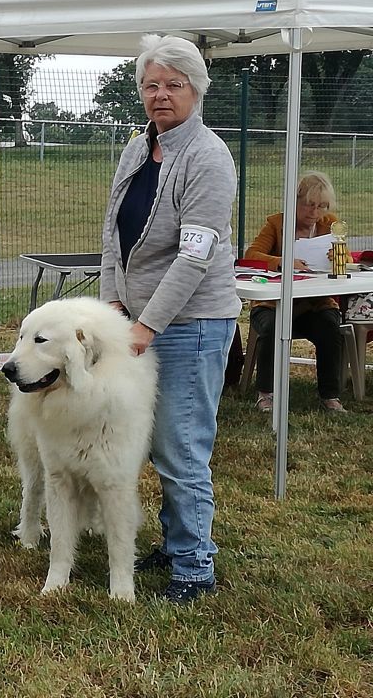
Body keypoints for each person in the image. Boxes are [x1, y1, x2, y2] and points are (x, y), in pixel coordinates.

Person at [99, 35, 241, 604]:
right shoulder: (137, 149)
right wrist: (112, 304)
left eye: (173, 85)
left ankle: (193, 567)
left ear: (196, 90)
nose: (160, 95)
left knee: (182, 446)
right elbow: (112, 232)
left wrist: (146, 326)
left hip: (192, 323)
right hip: (135, 320)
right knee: (154, 440)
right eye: (151, 85)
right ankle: (178, 539)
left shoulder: (208, 157)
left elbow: (195, 255)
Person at [244, 172, 346, 413]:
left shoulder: (329, 223)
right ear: (294, 201)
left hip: (314, 304)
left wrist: (338, 257)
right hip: (272, 304)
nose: (315, 213)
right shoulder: (276, 223)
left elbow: (347, 257)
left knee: (331, 324)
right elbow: (251, 256)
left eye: (321, 206)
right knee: (272, 326)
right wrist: (282, 261)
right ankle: (266, 394)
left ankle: (330, 395)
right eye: (309, 206)